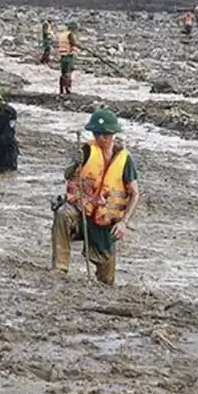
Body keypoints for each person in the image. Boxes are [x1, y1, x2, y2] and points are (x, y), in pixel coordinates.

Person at [52, 108, 140, 286]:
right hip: (82, 212)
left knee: (107, 280)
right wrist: (76, 162)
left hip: (105, 221)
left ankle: (105, 282)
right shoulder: (85, 151)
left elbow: (134, 193)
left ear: (113, 135)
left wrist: (123, 222)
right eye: (97, 134)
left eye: (105, 135)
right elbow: (67, 175)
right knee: (62, 214)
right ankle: (59, 270)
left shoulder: (125, 160)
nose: (101, 139)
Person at [58, 22, 79, 96]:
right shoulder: (70, 34)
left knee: (63, 74)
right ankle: (68, 90)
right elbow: (73, 43)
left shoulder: (63, 34)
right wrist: (79, 45)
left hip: (62, 56)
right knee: (68, 73)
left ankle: (61, 91)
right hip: (68, 56)